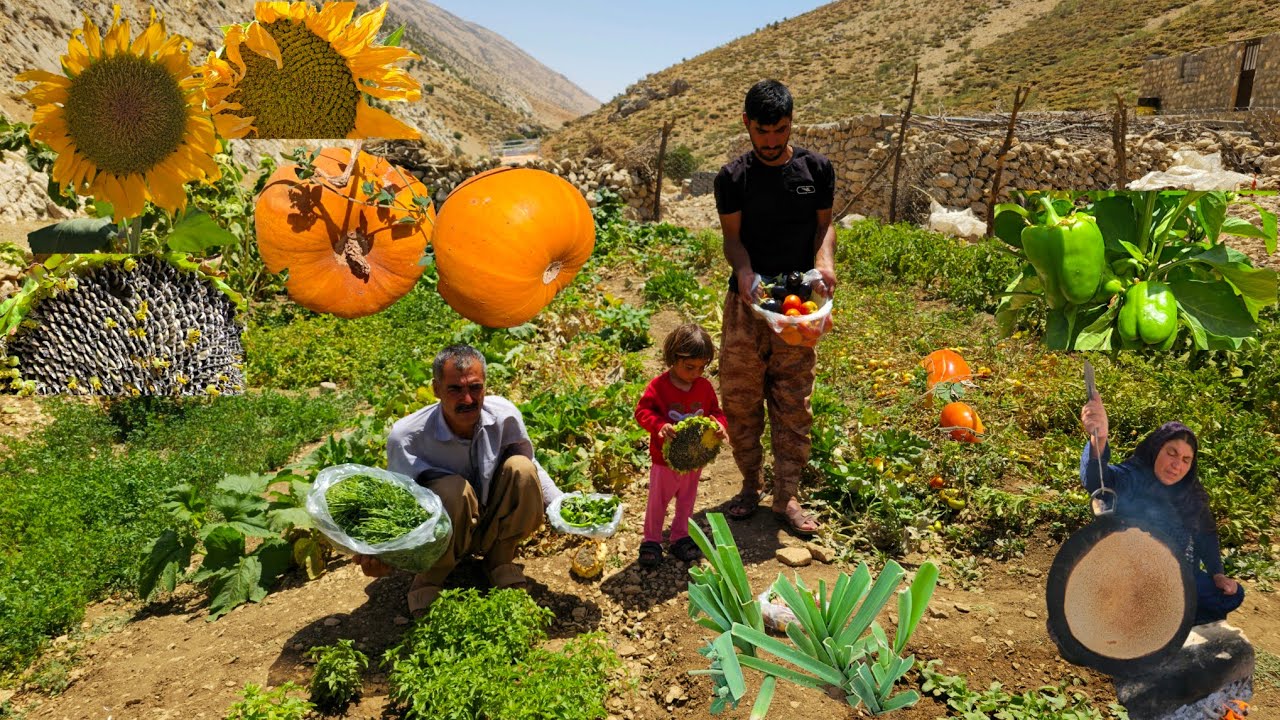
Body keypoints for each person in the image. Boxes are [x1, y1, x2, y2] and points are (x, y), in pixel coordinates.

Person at [714, 78, 837, 537]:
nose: (771, 141)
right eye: (762, 131)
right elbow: (733, 238)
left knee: (793, 400)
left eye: (779, 130)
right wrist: (744, 271)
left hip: (797, 307)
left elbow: (825, 229)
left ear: (790, 124)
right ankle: (750, 485)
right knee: (742, 399)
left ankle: (786, 495)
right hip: (747, 305)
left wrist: (824, 262)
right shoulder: (732, 178)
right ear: (746, 124)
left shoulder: (817, 170)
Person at [355, 344, 562, 616]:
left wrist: (560, 503)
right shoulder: (407, 437)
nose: (467, 399)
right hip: (442, 530)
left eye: (475, 387)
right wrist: (382, 551)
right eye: (455, 389)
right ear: (436, 389)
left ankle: (499, 560)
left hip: (492, 519)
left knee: (521, 468)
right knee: (454, 489)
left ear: (486, 385)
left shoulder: (504, 415)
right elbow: (399, 501)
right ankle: (431, 576)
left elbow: (530, 463)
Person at [1080, 394, 1243, 625]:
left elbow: (1206, 534)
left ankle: (1173, 621)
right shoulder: (1132, 476)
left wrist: (1217, 573)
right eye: (1172, 453)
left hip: (1180, 577)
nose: (1177, 466)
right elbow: (1097, 481)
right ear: (1156, 448)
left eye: (1186, 460)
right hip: (1132, 575)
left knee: (1232, 594)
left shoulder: (1192, 493)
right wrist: (1100, 440)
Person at [634, 323, 729, 567]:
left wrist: (720, 426)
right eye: (689, 367)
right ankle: (652, 540)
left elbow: (716, 413)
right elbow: (642, 411)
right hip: (663, 461)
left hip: (694, 458)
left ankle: (680, 537)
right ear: (673, 358)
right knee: (658, 502)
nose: (696, 373)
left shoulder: (704, 387)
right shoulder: (659, 386)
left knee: (687, 500)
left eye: (701, 367)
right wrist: (659, 425)